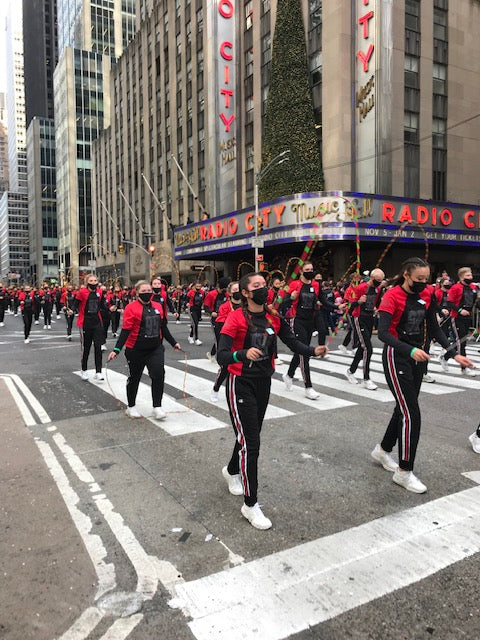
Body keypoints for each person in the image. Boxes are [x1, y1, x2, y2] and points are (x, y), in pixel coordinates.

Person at [217, 272, 328, 530]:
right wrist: (242, 353)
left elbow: (293, 342)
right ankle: (250, 504)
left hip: (263, 382)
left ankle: (231, 469)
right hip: (239, 383)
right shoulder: (235, 318)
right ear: (245, 293)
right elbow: (223, 355)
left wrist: (314, 350)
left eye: (264, 285)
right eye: (256, 286)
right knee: (252, 444)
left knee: (247, 436)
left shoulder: (273, 317)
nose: (263, 289)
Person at [371, 257, 474, 493]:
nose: (423, 283)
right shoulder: (391, 296)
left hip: (419, 357)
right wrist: (410, 349)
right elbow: (384, 334)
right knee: (411, 413)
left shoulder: (428, 294)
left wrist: (453, 354)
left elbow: (435, 327)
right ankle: (404, 471)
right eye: (419, 279)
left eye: (426, 279)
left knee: (403, 408)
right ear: (406, 275)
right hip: (397, 356)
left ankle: (383, 450)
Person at [108, 280, 181, 420]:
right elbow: (125, 331)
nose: (147, 293)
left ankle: (157, 407)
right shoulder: (131, 308)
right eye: (144, 291)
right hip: (136, 349)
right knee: (134, 378)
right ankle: (131, 406)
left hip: (155, 348)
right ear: (137, 293)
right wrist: (116, 349)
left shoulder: (158, 306)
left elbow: (163, 327)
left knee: (158, 374)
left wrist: (173, 343)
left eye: (149, 291)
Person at [282, 262, 327, 400]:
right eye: (307, 270)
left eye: (312, 269)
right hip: (297, 320)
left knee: (301, 350)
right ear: (301, 271)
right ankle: (308, 387)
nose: (310, 272)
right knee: (304, 353)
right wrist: (291, 298)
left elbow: (323, 301)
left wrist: (338, 305)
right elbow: (283, 303)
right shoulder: (293, 285)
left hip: (310, 321)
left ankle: (289, 375)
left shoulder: (316, 285)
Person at [344, 268, 385, 390]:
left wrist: (378, 309)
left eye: (381, 280)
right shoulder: (361, 288)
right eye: (378, 280)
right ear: (371, 278)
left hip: (369, 318)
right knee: (368, 348)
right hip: (359, 318)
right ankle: (366, 378)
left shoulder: (377, 289)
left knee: (363, 348)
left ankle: (351, 371)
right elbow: (350, 306)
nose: (379, 282)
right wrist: (359, 302)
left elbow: (376, 303)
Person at [441, 266, 479, 376]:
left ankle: (446, 356)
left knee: (461, 341)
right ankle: (464, 367)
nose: (470, 277)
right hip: (457, 318)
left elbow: (476, 302)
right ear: (461, 277)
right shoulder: (455, 288)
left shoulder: (473, 287)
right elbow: (450, 303)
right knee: (461, 343)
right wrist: (460, 310)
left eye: (471, 275)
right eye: (468, 275)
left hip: (468, 318)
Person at [210, 281, 242, 402]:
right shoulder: (225, 307)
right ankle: (215, 389)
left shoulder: (246, 306)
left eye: (239, 289)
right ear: (229, 293)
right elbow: (220, 325)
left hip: (241, 341)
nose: (237, 292)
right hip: (228, 340)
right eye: (234, 290)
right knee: (225, 367)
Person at [74, 274, 108, 381]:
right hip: (85, 323)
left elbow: (102, 306)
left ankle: (98, 371)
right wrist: (71, 310)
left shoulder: (99, 292)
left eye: (95, 280)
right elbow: (76, 305)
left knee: (98, 347)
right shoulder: (82, 292)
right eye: (91, 280)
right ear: (87, 282)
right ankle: (84, 370)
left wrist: (110, 309)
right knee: (86, 348)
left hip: (97, 322)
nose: (93, 282)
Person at [204, 277, 230, 362]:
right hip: (215, 319)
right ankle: (219, 358)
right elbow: (206, 306)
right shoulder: (211, 294)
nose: (224, 291)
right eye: (223, 289)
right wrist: (211, 312)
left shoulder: (227, 295)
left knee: (222, 338)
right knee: (218, 338)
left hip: (225, 319)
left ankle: (212, 354)